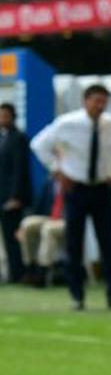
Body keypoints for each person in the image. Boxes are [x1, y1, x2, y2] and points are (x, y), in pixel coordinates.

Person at [30, 84, 111, 311]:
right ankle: (77, 295)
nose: (100, 106)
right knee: (74, 243)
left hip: (101, 187)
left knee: (108, 244)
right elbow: (38, 144)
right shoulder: (68, 123)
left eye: (104, 101)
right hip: (76, 187)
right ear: (85, 101)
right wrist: (58, 170)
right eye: (96, 101)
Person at [0, 102, 32, 282]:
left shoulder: (18, 138)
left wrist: (15, 196)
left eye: (5, 115)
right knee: (4, 237)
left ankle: (17, 273)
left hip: (12, 197)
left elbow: (19, 171)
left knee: (14, 236)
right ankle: (8, 271)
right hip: (1, 194)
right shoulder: (2, 138)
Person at [15, 178, 64, 287]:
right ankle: (31, 267)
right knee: (27, 223)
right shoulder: (49, 183)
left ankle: (43, 271)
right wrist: (22, 227)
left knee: (48, 228)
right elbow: (38, 207)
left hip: (66, 220)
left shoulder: (73, 185)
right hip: (49, 218)